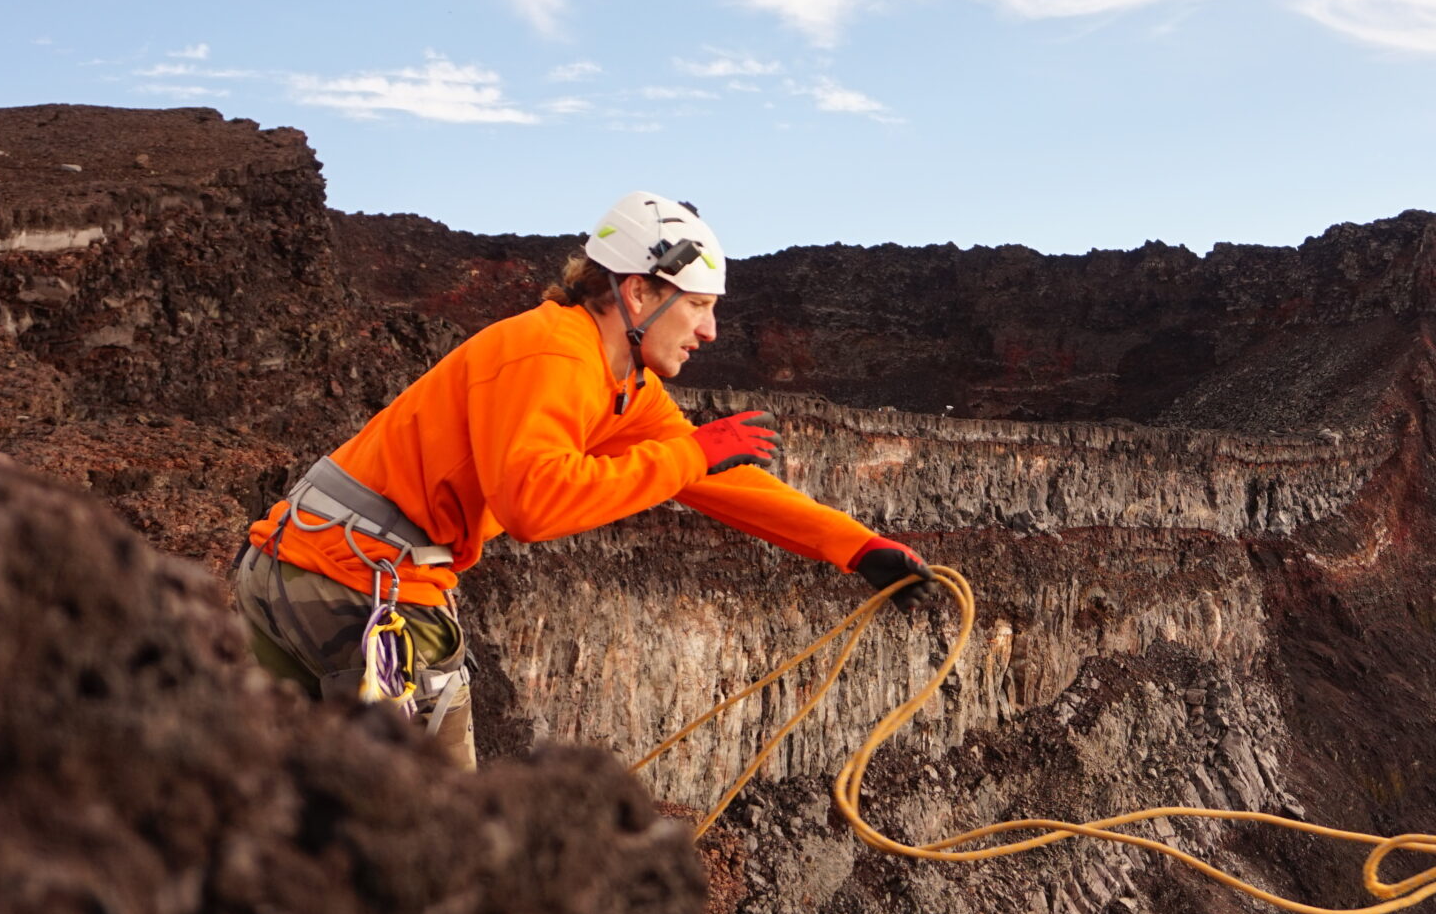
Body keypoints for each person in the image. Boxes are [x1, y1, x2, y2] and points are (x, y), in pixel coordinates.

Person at [231, 190, 931, 766]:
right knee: (425, 845)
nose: (710, 331)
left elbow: (713, 475)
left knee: (292, 814)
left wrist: (857, 547)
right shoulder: (554, 355)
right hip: (359, 590)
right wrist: (691, 456)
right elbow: (535, 504)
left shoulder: (617, 381)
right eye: (697, 305)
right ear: (637, 294)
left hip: (296, 565)